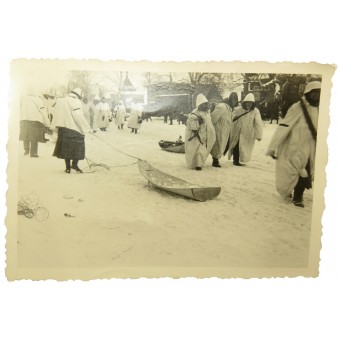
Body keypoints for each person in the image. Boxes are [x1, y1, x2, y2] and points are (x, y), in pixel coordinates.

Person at [266, 81, 321, 208]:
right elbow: (284, 127)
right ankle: (297, 197)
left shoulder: (321, 108)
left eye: (319, 93)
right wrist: (273, 147)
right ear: (308, 92)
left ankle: (297, 194)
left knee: (306, 171)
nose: (317, 96)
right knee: (296, 171)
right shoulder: (298, 107)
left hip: (312, 148)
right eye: (314, 93)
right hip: (295, 146)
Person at [52, 88, 91, 173]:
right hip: (73, 128)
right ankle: (74, 164)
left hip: (62, 128)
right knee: (77, 146)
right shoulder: (76, 101)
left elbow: (55, 113)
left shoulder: (61, 100)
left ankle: (67, 167)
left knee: (66, 148)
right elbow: (78, 116)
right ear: (79, 95)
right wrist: (86, 128)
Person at [228, 93, 263, 166]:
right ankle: (236, 160)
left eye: (250, 103)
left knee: (244, 147)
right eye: (247, 103)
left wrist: (258, 135)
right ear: (245, 102)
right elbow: (231, 118)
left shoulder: (255, 111)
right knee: (236, 145)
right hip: (238, 131)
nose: (248, 105)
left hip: (248, 132)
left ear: (253, 103)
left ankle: (242, 159)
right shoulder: (239, 109)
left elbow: (258, 123)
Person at [185, 94, 216, 170]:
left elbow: (209, 123)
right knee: (196, 150)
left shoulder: (207, 113)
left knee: (201, 150)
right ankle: (196, 164)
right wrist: (198, 122)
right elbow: (189, 123)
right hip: (196, 136)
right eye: (202, 104)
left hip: (204, 135)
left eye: (205, 104)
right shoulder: (195, 113)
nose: (204, 106)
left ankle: (199, 164)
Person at [19, 88, 50, 157]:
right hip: (35, 120)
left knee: (26, 135)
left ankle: (26, 150)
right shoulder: (37, 100)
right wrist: (47, 123)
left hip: (24, 119)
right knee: (34, 137)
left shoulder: (23, 99)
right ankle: (33, 153)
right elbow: (43, 112)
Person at [209, 94, 235, 168]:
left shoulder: (230, 108)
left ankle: (215, 160)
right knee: (218, 145)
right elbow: (213, 117)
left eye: (235, 100)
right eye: (233, 99)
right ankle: (215, 161)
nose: (234, 101)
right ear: (230, 99)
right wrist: (210, 126)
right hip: (219, 129)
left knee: (221, 145)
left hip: (225, 130)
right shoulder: (222, 106)